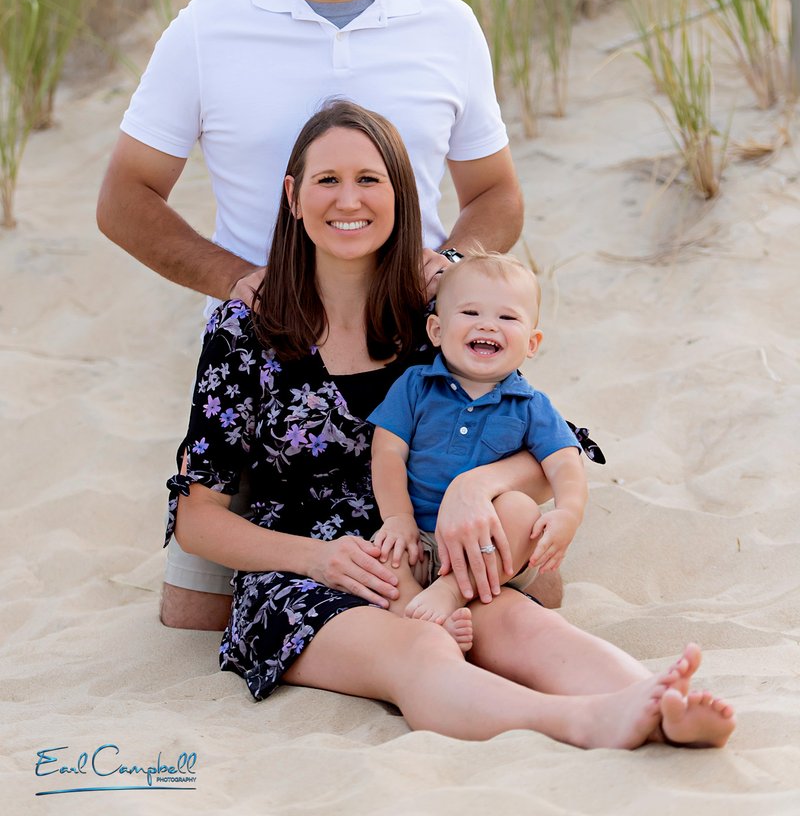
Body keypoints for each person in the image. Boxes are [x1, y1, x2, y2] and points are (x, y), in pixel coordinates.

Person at [167, 99, 736, 748]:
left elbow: (547, 437)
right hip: (301, 574)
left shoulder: (435, 313)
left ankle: (659, 703)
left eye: (369, 180)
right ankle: (584, 722)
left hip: (431, 550)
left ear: (400, 197)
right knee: (417, 652)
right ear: (294, 197)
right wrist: (320, 559)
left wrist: (476, 487)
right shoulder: (247, 327)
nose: (347, 199)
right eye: (327, 180)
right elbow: (196, 517)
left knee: (521, 625)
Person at [96, 0, 533, 630]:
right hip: (269, 375)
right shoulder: (210, 28)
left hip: (416, 364)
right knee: (193, 619)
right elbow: (123, 199)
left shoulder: (446, 25)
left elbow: (497, 193)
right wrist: (239, 282)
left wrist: (446, 265)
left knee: (513, 589)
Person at [368, 251, 600, 633]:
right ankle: (419, 620)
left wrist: (569, 511)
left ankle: (451, 592)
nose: (488, 326)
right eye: (471, 313)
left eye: (507, 317)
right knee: (381, 557)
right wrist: (398, 519)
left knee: (521, 511)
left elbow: (564, 462)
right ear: (436, 331)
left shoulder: (530, 405)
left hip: (492, 547)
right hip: (421, 538)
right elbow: (388, 452)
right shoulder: (414, 385)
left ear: (532, 342)